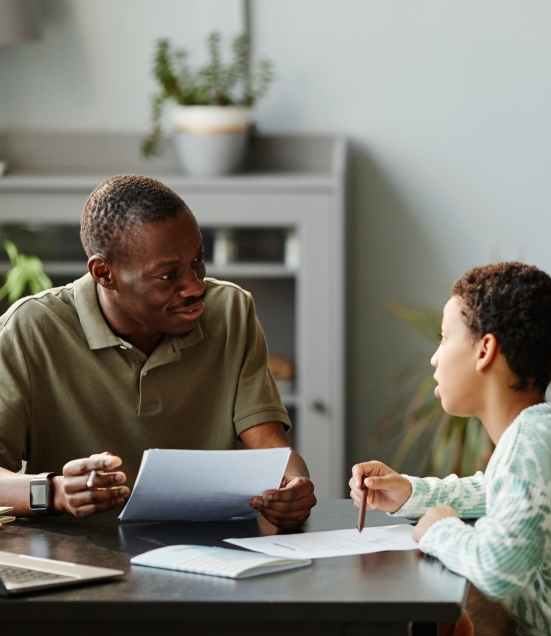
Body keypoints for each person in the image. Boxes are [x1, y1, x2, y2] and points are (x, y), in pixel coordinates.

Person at [0, 174, 316, 529]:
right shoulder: (30, 329)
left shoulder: (231, 311)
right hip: (80, 562)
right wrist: (55, 491)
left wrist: (293, 485)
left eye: (198, 259)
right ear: (104, 273)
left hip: (209, 555)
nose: (195, 286)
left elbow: (271, 449)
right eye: (168, 276)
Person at [350, 262, 551, 636]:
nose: (434, 358)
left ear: (485, 350)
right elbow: (497, 493)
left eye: (444, 338)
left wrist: (440, 530)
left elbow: (500, 568)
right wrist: (411, 493)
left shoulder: (531, 442)